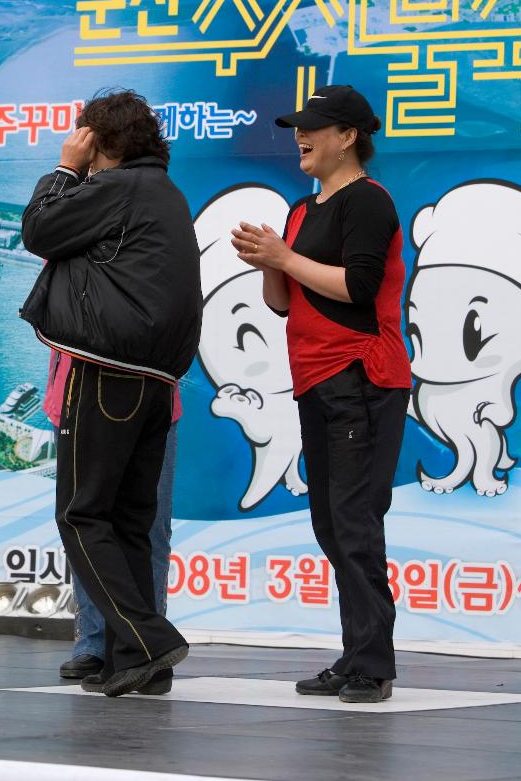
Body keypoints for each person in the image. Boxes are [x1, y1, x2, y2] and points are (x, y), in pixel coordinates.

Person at [231, 85, 410, 703]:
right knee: (331, 521)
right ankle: (356, 652)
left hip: (362, 376)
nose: (300, 137)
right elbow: (283, 303)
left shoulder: (368, 201)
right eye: (297, 127)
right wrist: (269, 263)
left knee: (355, 520)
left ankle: (372, 664)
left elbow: (359, 288)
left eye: (313, 127)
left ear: (349, 137)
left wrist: (285, 255)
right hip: (314, 378)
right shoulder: (302, 212)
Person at [20, 89, 201, 697]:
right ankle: (136, 661)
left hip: (106, 374)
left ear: (102, 139)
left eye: (86, 134)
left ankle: (148, 638)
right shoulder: (166, 194)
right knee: (128, 523)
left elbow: (40, 229)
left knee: (81, 513)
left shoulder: (117, 187)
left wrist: (66, 167)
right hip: (155, 384)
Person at [50, 349, 181, 695]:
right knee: (128, 525)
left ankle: (150, 641)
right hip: (144, 380)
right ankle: (116, 652)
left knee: (86, 518)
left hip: (101, 379)